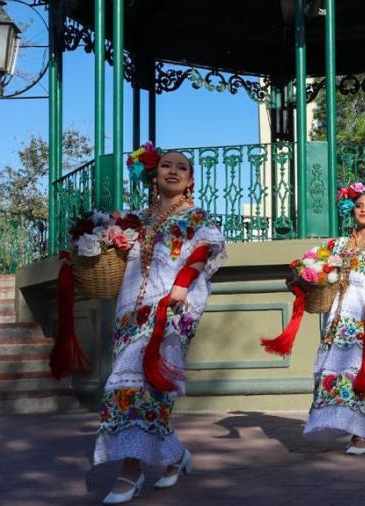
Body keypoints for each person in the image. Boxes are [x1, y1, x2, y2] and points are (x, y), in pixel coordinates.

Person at [93, 149, 227, 504]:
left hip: (174, 306)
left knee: (143, 385)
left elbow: (201, 252)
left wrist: (182, 284)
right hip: (130, 310)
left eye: (181, 167)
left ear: (191, 180)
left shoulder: (197, 216)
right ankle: (174, 456)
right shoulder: (136, 220)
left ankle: (131, 471)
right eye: (166, 165)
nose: (173, 171)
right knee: (134, 384)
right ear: (154, 176)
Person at [272, 183, 365, 455]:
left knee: (361, 372)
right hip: (338, 315)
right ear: (352, 210)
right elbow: (313, 264)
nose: (364, 209)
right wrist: (301, 278)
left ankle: (361, 432)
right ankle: (345, 425)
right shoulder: (337, 244)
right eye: (359, 205)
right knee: (335, 373)